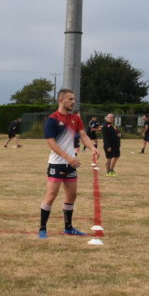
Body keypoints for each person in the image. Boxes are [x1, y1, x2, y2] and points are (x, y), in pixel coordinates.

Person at [38, 88, 99, 238]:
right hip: (56, 164)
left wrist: (92, 147)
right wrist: (68, 157)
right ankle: (42, 229)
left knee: (72, 195)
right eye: (70, 99)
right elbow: (51, 142)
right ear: (61, 100)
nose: (73, 102)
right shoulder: (52, 119)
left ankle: (68, 228)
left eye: (74, 99)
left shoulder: (75, 119)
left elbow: (83, 135)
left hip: (71, 164)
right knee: (51, 195)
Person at [101, 112, 122, 176]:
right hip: (109, 145)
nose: (111, 118)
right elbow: (106, 137)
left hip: (115, 145)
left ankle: (111, 170)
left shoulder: (113, 126)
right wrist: (108, 146)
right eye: (110, 117)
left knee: (116, 156)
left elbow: (118, 133)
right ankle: (108, 172)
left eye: (112, 117)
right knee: (109, 158)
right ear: (106, 118)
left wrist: (120, 135)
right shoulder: (105, 126)